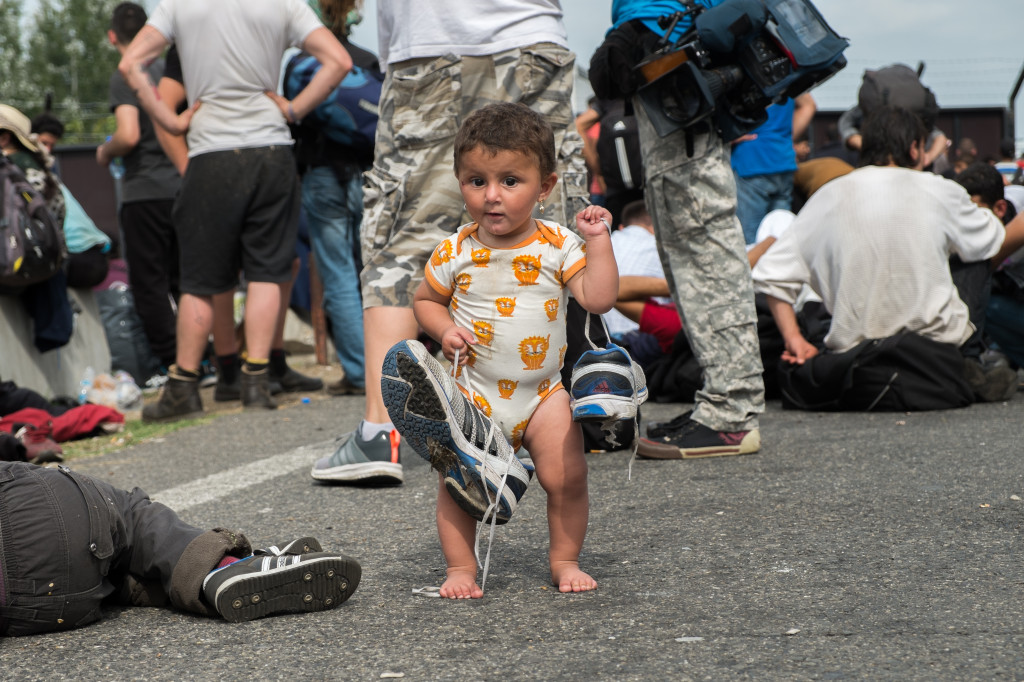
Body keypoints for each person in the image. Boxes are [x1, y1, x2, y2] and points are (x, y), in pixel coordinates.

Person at [310, 0, 588, 484]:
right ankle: (543, 421)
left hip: (429, 40)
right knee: (543, 229)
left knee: (403, 239)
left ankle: (382, 429)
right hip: (529, 36)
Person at [380, 103, 615, 598]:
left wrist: (598, 241)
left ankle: (565, 559)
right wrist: (443, 330)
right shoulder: (455, 250)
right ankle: (461, 569)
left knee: (567, 478)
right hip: (473, 393)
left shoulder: (560, 245)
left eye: (511, 181)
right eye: (475, 181)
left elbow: (598, 298)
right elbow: (425, 301)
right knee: (459, 486)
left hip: (544, 393)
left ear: (545, 187)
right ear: (459, 181)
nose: (492, 196)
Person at [118, 0, 351, 421]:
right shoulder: (285, 3)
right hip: (271, 148)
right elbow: (338, 60)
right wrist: (294, 108)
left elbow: (131, 63)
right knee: (268, 269)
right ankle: (256, 382)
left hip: (210, 151)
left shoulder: (178, 5)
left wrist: (168, 120)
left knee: (201, 278)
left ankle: (183, 386)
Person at [752, 107, 1024, 410]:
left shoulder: (828, 195)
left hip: (855, 367)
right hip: (934, 366)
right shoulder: (940, 189)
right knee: (972, 250)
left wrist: (795, 340)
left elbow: (770, 274)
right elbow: (992, 238)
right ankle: (971, 361)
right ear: (913, 148)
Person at [590, 0, 764, 459]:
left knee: (704, 252)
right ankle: (721, 404)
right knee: (693, 255)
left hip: (676, 60)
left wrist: (631, 35)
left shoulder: (658, 14)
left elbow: (610, 73)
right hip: (676, 69)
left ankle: (731, 414)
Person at [0, 461, 360, 635]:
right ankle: (223, 568)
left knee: (112, 567)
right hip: (33, 521)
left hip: (39, 610)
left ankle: (229, 572)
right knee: (132, 517)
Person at [151, 45, 325, 403]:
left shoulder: (251, 28)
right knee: (218, 274)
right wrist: (188, 168)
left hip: (264, 151)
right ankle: (232, 369)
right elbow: (163, 104)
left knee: (278, 267)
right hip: (216, 159)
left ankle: (265, 366)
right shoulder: (191, 38)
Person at [288, 0, 381, 398]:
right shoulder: (367, 59)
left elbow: (293, 121)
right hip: (367, 177)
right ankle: (387, 365)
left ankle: (359, 371)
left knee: (338, 274)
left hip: (322, 175)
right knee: (374, 272)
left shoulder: (302, 63)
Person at [95, 2, 183, 375]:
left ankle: (171, 363)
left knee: (149, 282)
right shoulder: (170, 70)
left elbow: (128, 134)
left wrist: (104, 150)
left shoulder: (126, 73)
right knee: (187, 278)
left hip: (143, 191)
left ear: (113, 35)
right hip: (180, 186)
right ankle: (201, 359)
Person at [731, 93, 816, 244]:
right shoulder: (787, 73)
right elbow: (809, 105)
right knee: (780, 236)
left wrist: (730, 134)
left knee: (749, 240)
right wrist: (783, 139)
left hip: (752, 160)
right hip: (782, 160)